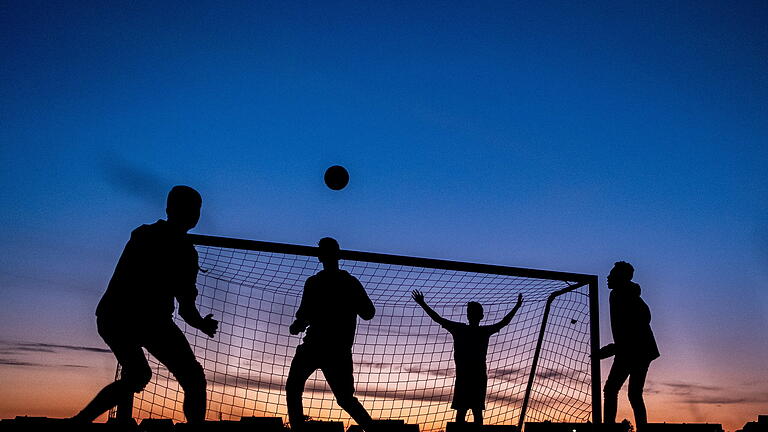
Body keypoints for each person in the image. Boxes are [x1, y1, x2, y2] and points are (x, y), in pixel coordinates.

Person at [72, 186, 218, 424]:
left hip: (125, 318)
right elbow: (186, 308)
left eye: (197, 209)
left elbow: (185, 307)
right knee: (187, 377)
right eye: (192, 208)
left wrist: (200, 323)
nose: (195, 214)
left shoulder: (148, 236)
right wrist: (201, 323)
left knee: (140, 375)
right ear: (174, 209)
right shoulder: (171, 246)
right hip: (134, 319)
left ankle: (79, 421)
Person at [286, 237, 376, 431]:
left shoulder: (316, 282)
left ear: (320, 257)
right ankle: (373, 430)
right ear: (338, 255)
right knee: (344, 399)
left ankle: (297, 429)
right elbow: (368, 313)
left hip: (321, 346)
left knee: (294, 388)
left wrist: (297, 325)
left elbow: (304, 316)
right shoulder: (347, 282)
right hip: (335, 348)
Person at [412, 290, 523, 425]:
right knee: (475, 413)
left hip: (467, 377)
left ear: (468, 315)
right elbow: (504, 322)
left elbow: (437, 318)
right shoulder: (480, 331)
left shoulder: (461, 329)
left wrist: (423, 303)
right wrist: (517, 306)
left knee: (463, 412)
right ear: (481, 316)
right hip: (475, 377)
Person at [601, 261, 660, 430]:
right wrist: (615, 347)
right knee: (630, 393)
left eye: (612, 274)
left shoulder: (626, 296)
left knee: (614, 390)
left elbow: (639, 323)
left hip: (638, 350)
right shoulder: (617, 295)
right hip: (632, 349)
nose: (608, 277)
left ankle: (609, 429)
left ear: (620, 277)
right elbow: (628, 328)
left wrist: (614, 348)